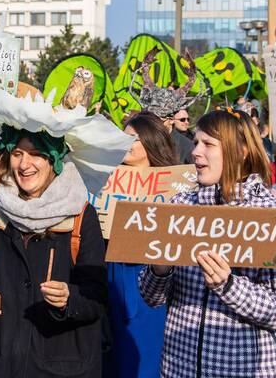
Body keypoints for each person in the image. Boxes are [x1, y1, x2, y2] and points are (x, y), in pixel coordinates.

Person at [139, 110, 276, 378]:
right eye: (195, 143)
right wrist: (159, 270)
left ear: (241, 151)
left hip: (244, 369)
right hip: (179, 368)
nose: (195, 153)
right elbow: (151, 298)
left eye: (209, 144)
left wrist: (229, 286)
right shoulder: (178, 207)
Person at [0, 121, 107, 377]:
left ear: (53, 159)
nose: (24, 165)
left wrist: (70, 298)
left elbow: (97, 296)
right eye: (17, 154)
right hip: (5, 364)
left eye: (36, 154)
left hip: (63, 367)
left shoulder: (80, 216)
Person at [107, 112, 178, 378]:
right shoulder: (107, 178)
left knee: (139, 361)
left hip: (148, 279)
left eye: (133, 138)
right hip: (111, 272)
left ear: (151, 143)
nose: (125, 142)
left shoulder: (172, 187)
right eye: (123, 136)